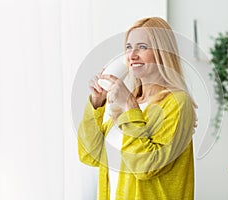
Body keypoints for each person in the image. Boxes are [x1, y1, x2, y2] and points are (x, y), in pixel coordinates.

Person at [78, 17, 197, 200]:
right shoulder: (126, 101)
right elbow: (89, 155)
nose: (132, 55)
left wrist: (129, 107)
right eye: (128, 47)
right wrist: (96, 103)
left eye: (142, 47)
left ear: (162, 52)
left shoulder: (177, 103)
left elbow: (147, 167)